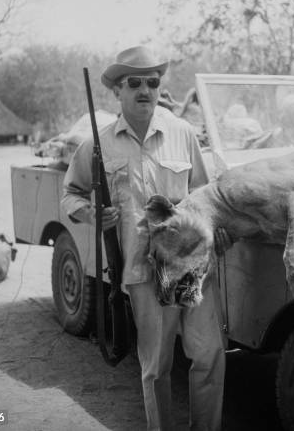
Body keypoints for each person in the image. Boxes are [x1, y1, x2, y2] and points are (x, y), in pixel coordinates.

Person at [61, 45, 225, 431]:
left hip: (189, 263)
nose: (145, 90)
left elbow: (204, 192)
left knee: (209, 355)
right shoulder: (98, 145)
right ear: (117, 91)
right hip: (142, 271)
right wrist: (93, 213)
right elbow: (70, 193)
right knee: (156, 367)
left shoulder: (182, 133)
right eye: (133, 82)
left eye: (152, 82)